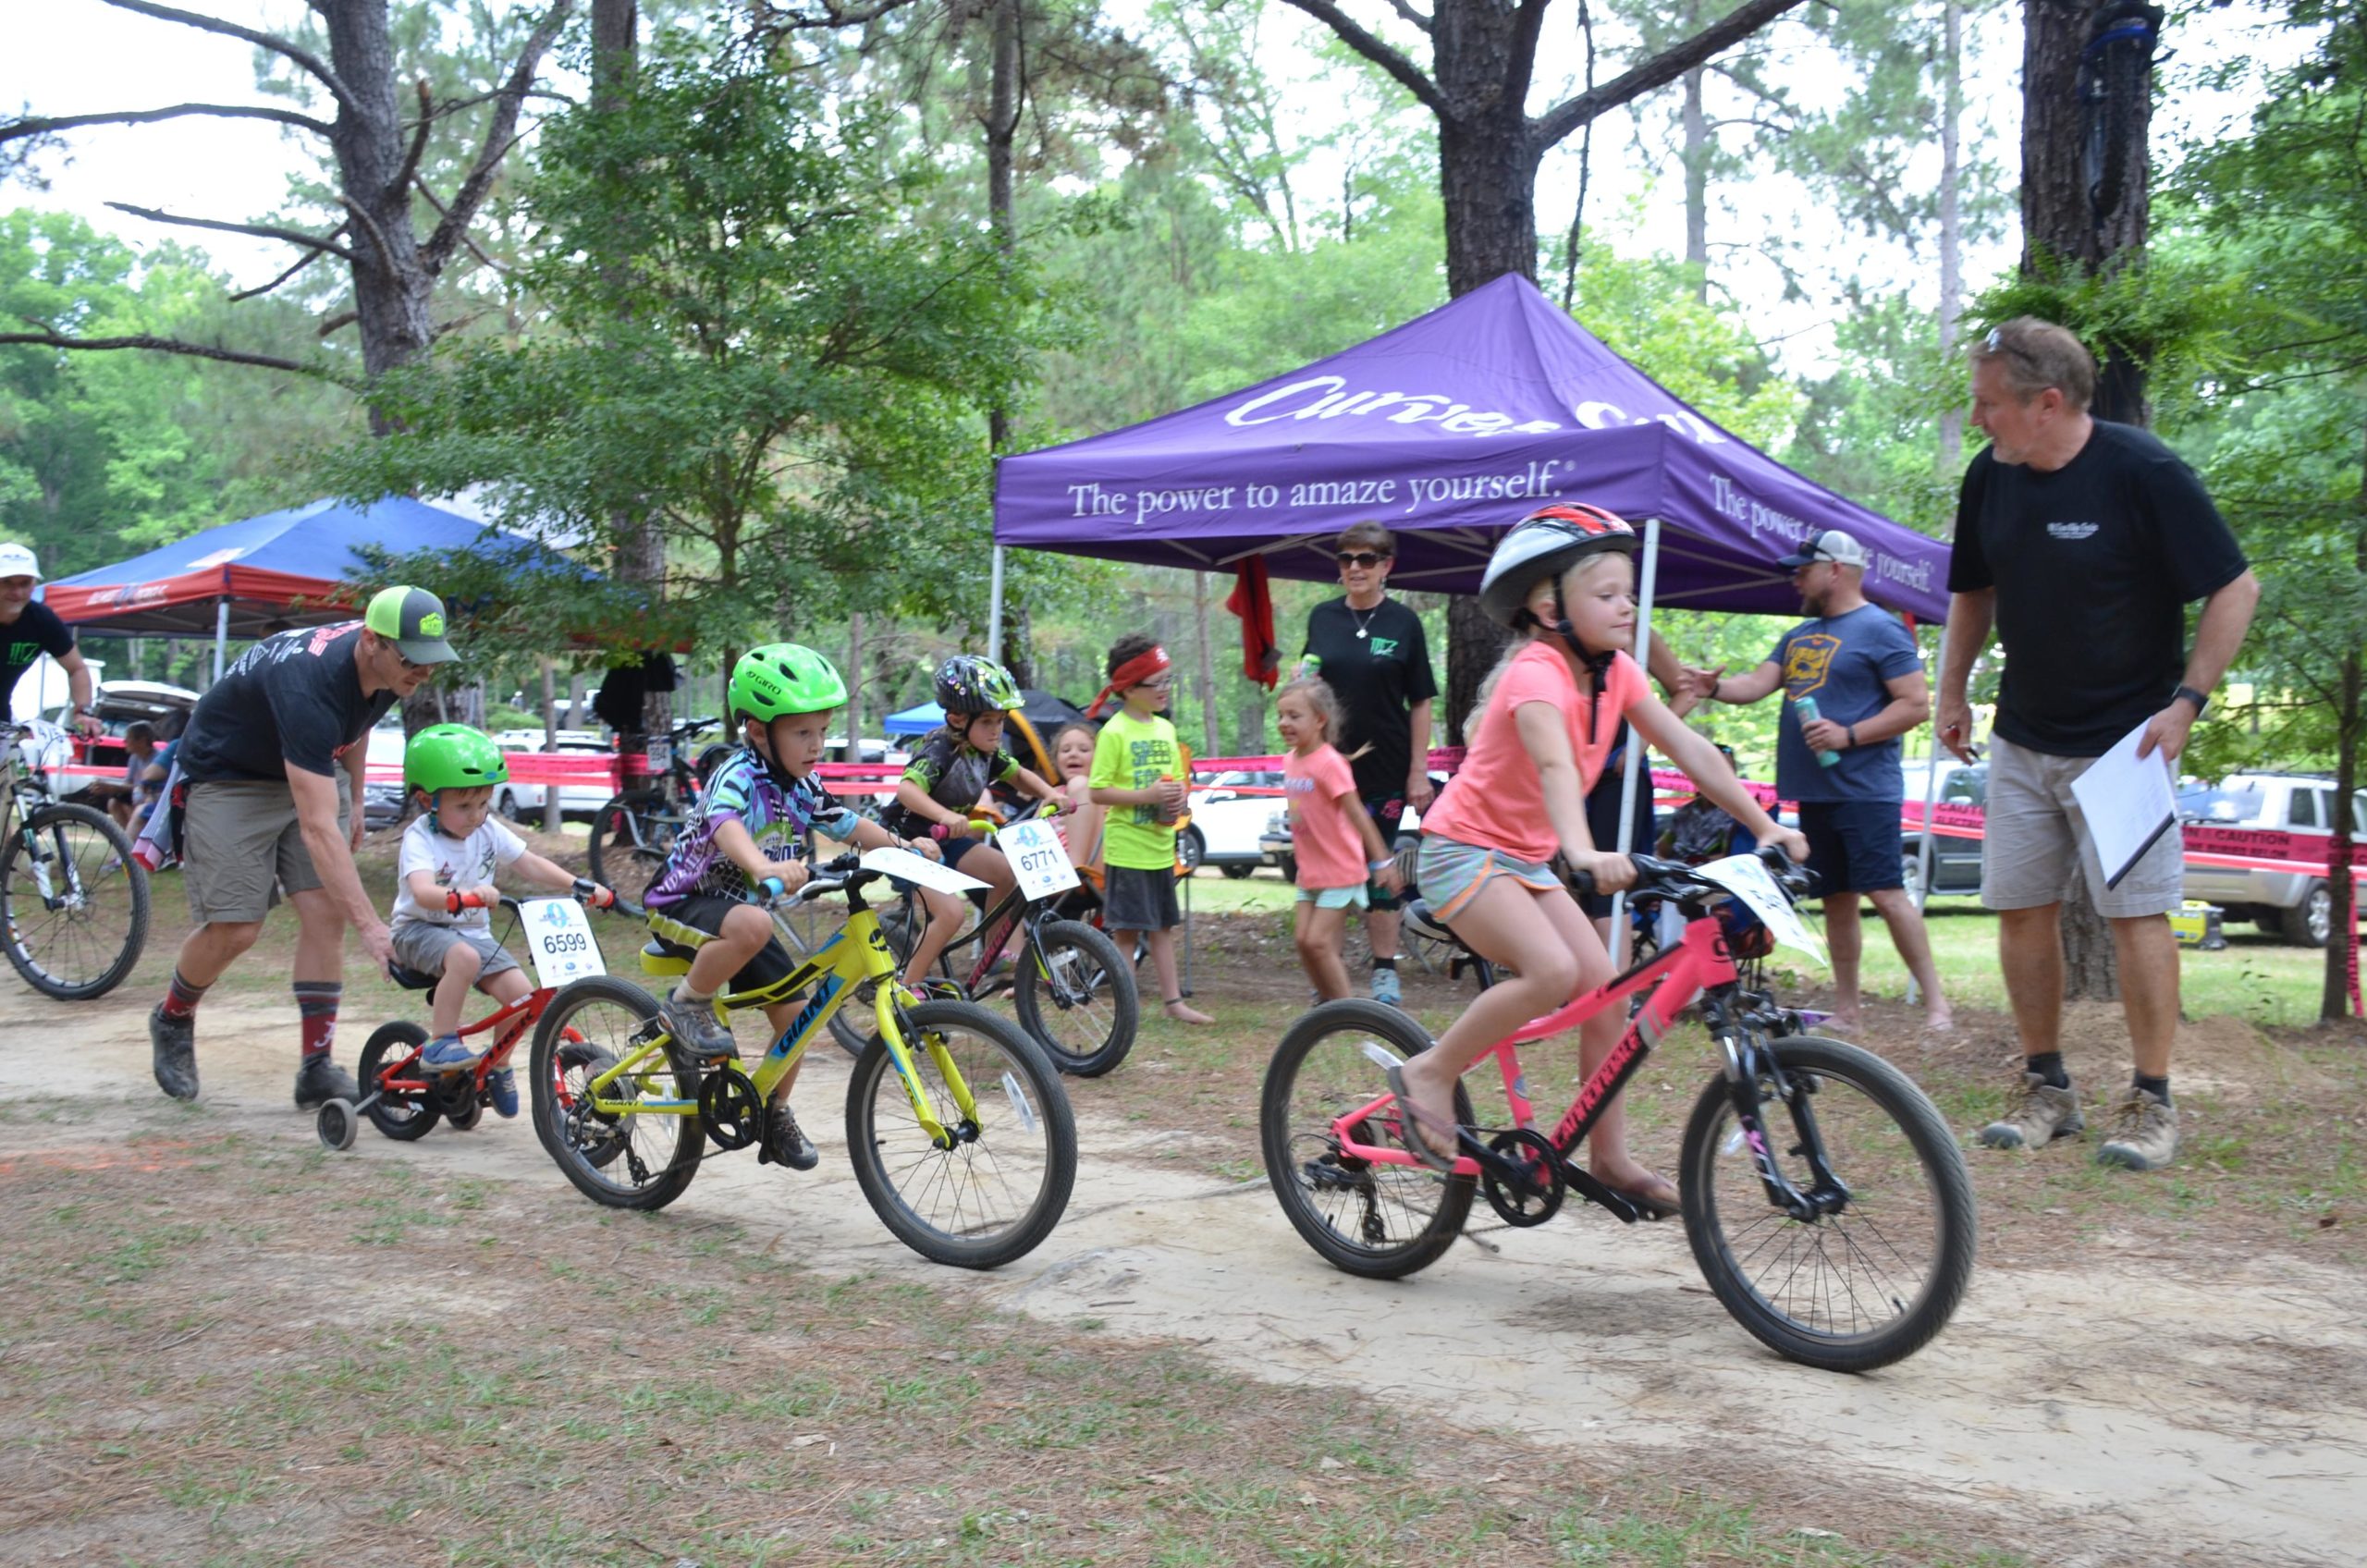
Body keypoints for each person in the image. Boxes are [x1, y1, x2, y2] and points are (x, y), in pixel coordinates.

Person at [1395, 503, 1809, 1216]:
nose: (1627, 608)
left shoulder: (1615, 674)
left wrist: (1763, 825)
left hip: (1522, 858)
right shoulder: (1535, 677)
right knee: (1553, 972)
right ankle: (1429, 1072)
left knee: (1606, 990)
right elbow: (1556, 767)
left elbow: (1690, 748)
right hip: (1461, 852)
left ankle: (1610, 1156)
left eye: (1630, 593)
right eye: (1607, 594)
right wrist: (1584, 851)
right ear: (1551, 606)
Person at [1937, 317, 2258, 1173]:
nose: (1978, 420)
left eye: (1989, 404)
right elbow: (1973, 590)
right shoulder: (1991, 477)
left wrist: (2188, 702)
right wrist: (1952, 689)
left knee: (2136, 916)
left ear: (2047, 404)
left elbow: (2235, 587)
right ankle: (2048, 1088)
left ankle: (2152, 1101)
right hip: (2024, 737)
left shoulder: (2142, 471)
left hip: (2129, 747)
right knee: (2019, 908)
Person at [147, 585, 454, 1108]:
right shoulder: (308, 686)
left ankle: (316, 1067)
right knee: (237, 928)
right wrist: (373, 928)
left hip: (309, 765)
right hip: (230, 775)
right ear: (371, 641)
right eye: (412, 660)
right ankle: (172, 1016)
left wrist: (355, 798)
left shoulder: (387, 672)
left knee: (324, 911)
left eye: (432, 662)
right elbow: (316, 828)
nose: (422, 673)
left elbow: (354, 726)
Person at [641, 643, 934, 1170]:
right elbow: (725, 825)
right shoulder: (737, 774)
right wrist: (761, 866)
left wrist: (900, 845)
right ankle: (686, 1005)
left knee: (798, 1019)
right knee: (754, 922)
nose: (817, 744)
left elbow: (845, 824)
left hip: (742, 918)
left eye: (821, 731)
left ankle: (774, 1113)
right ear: (758, 730)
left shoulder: (802, 782)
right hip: (683, 902)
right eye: (803, 732)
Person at [1703, 528, 1951, 1034]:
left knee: (1886, 894)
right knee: (1836, 899)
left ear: (1835, 570)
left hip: (1866, 791)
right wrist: (1713, 687)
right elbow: (1754, 685)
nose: (1795, 579)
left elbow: (1915, 705)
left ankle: (1937, 1007)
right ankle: (1849, 1012)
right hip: (1815, 793)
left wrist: (1849, 735)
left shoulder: (1882, 629)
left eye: (1803, 569)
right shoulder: (1796, 637)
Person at [393, 725, 615, 1117]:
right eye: (464, 807)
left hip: (471, 936)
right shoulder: (419, 839)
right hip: (419, 931)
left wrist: (578, 884)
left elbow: (528, 862)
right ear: (428, 799)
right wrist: (466, 898)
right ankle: (440, 1042)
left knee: (522, 998)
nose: (476, 816)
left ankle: (498, 1066)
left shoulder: (487, 830)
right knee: (464, 959)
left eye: (483, 803)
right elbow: (423, 892)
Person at [1297, 522, 1436, 1006]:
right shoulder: (1322, 618)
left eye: (1368, 558)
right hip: (1325, 770)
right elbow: (1307, 685)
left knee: (1381, 867)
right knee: (1329, 870)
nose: (1355, 567)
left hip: (1385, 768)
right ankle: (1326, 976)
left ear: (1387, 567)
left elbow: (1420, 702)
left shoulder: (1403, 623)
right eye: (1346, 558)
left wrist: (1419, 770)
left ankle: (1384, 972)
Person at [881, 655, 1063, 991]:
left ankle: (1000, 955)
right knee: (951, 915)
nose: (997, 730)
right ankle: (908, 988)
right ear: (957, 718)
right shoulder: (939, 749)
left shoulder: (986, 751)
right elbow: (907, 790)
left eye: (1001, 720)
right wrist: (946, 815)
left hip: (946, 841)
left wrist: (1050, 793)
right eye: (989, 721)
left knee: (1007, 873)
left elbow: (1018, 775)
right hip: (906, 845)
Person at [1088, 634, 1213, 1025]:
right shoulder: (1114, 732)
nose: (1164, 690)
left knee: (1162, 927)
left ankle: (1174, 1002)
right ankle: (1128, 1008)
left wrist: (1176, 803)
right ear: (1127, 688)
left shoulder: (1164, 729)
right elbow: (1098, 791)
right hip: (1127, 849)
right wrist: (1146, 794)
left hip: (1161, 847)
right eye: (1156, 683)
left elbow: (1175, 783)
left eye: (1167, 681)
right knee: (1126, 932)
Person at [1275, 676, 1404, 1001]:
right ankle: (1328, 1003)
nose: (1284, 723)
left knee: (1318, 942)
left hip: (1339, 870)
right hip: (1310, 871)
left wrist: (1383, 862)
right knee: (1304, 941)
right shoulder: (1290, 760)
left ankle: (1347, 1009)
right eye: (1280, 715)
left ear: (1320, 720)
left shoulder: (1330, 763)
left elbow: (1358, 814)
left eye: (1294, 716)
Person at [0, 543, 102, 740]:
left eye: (25, 583)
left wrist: (83, 712)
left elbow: (77, 669)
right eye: (7, 583)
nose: (18, 592)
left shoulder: (41, 620)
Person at [1047, 719, 1105, 874]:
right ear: (1056, 760)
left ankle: (1073, 869)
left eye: (1084, 750)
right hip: (1050, 867)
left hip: (1092, 866)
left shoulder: (1103, 792)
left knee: (1080, 785)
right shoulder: (1053, 793)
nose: (1073, 754)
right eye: (1065, 750)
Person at [99, 721, 159, 830]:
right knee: (114, 802)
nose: (125, 741)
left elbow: (147, 787)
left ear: (142, 740)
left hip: (152, 797)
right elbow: (129, 783)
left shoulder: (157, 759)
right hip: (138, 795)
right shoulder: (134, 758)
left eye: (129, 738)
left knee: (144, 803)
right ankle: (127, 838)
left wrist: (112, 787)